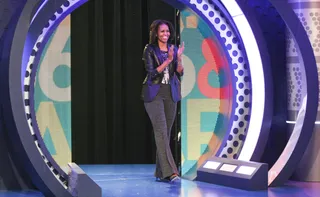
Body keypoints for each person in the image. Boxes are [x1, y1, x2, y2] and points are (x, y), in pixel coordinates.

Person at [141, 19, 184, 182]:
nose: (166, 34)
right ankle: (171, 172)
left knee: (166, 134)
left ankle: (161, 172)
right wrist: (167, 60)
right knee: (161, 132)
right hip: (154, 93)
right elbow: (152, 73)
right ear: (156, 34)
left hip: (170, 93)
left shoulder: (173, 48)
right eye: (162, 32)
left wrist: (178, 58)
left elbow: (179, 72)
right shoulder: (150, 49)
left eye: (167, 31)